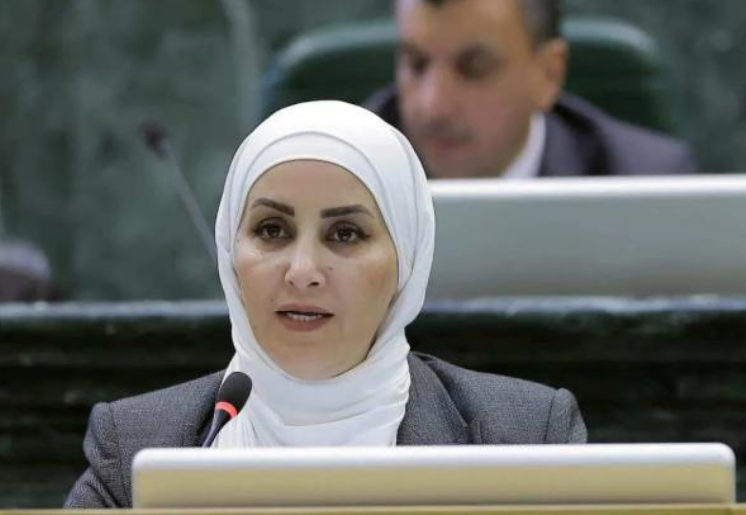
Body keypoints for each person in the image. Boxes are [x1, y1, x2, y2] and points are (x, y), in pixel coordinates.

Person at [64, 101, 586, 508]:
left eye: (345, 234)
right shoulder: (134, 447)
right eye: (272, 230)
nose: (302, 271)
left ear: (406, 262)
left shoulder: (524, 437)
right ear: (231, 252)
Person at [365, 0, 697, 179]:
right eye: (416, 64)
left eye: (475, 69)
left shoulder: (645, 183)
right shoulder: (351, 171)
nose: (433, 106)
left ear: (549, 74)